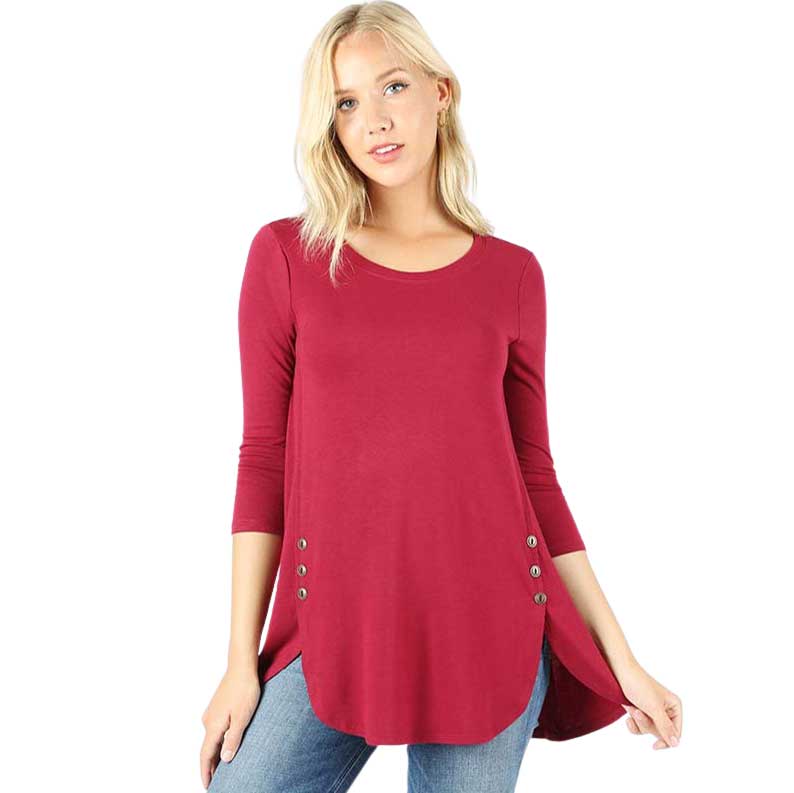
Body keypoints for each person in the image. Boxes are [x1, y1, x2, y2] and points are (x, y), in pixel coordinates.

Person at [200, 3, 683, 791]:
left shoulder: (511, 275)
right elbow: (263, 460)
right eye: (346, 102)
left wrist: (622, 658)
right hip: (334, 624)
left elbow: (535, 478)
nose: (374, 120)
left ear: (441, 91)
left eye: (393, 86)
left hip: (486, 627)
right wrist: (237, 663)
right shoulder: (289, 257)